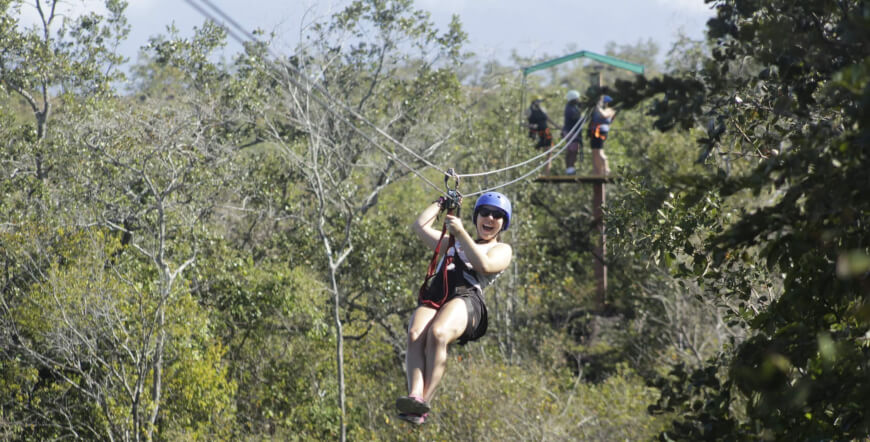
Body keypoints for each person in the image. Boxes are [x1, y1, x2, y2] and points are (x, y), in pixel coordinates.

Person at [397, 192, 514, 425]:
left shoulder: (501, 249)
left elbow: (485, 264)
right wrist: (442, 203)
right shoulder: (453, 243)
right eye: (485, 213)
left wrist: (460, 233)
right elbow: (420, 226)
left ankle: (424, 403)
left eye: (497, 215)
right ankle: (415, 395)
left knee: (438, 333)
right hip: (438, 293)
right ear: (477, 216)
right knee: (415, 334)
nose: (490, 218)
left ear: (503, 223)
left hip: (467, 298)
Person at [526, 97, 556, 173]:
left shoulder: (542, 109)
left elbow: (548, 119)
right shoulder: (529, 110)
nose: (539, 103)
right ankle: (533, 171)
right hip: (535, 134)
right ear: (533, 101)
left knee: (549, 152)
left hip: (546, 133)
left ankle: (547, 172)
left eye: (540, 101)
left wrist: (557, 126)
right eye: (537, 101)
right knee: (534, 153)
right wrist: (531, 126)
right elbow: (523, 123)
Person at [588, 95, 616, 175]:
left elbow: (604, 115)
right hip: (594, 131)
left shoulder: (610, 110)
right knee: (594, 152)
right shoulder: (600, 109)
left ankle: (606, 169)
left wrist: (597, 106)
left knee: (600, 151)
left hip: (601, 132)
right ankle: (597, 171)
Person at [562, 90, 584, 175]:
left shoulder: (571, 106)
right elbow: (576, 117)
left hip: (571, 132)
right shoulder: (570, 109)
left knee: (572, 150)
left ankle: (570, 168)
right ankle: (570, 168)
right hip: (571, 132)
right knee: (572, 151)